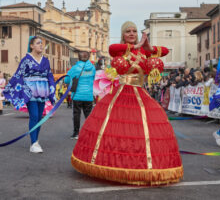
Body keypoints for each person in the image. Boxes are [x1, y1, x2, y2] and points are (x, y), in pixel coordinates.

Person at [71, 21, 183, 185]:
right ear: (123, 34)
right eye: (128, 31)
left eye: (134, 31)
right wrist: (137, 44)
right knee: (115, 127)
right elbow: (112, 50)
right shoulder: (120, 50)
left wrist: (149, 47)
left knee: (144, 127)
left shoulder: (144, 51)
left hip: (140, 90)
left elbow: (164, 52)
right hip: (122, 91)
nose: (131, 33)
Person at [4, 36, 55, 153]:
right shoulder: (26, 59)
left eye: (41, 43)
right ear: (32, 46)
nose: (41, 45)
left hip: (42, 91)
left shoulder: (46, 60)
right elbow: (18, 75)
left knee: (40, 117)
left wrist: (52, 88)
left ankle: (36, 140)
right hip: (30, 91)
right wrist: (8, 90)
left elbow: (50, 76)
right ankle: (33, 143)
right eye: (38, 43)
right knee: (34, 115)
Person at [65, 51, 96, 140]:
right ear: (89, 57)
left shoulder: (75, 68)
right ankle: (91, 133)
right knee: (88, 115)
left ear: (78, 58)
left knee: (76, 114)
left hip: (77, 95)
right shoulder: (92, 68)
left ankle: (76, 133)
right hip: (89, 95)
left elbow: (67, 80)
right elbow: (93, 79)